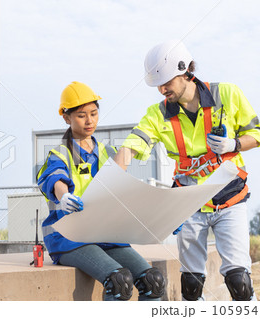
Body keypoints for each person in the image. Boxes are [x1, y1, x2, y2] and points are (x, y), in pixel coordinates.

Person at [114, 40, 260, 301]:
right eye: (158, 85)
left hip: (231, 199)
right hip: (189, 204)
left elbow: (255, 135)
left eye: (166, 82)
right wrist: (110, 183)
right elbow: (131, 147)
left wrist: (234, 144)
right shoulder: (158, 114)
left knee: (239, 281)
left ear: (184, 71)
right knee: (191, 285)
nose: (162, 89)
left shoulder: (227, 94)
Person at [37, 81, 166, 301]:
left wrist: (165, 216)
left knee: (153, 280)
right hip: (71, 238)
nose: (89, 121)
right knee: (119, 281)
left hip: (106, 235)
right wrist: (63, 195)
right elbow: (54, 178)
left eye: (94, 113)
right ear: (66, 118)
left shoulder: (109, 152)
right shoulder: (60, 154)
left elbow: (125, 190)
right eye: (81, 115)